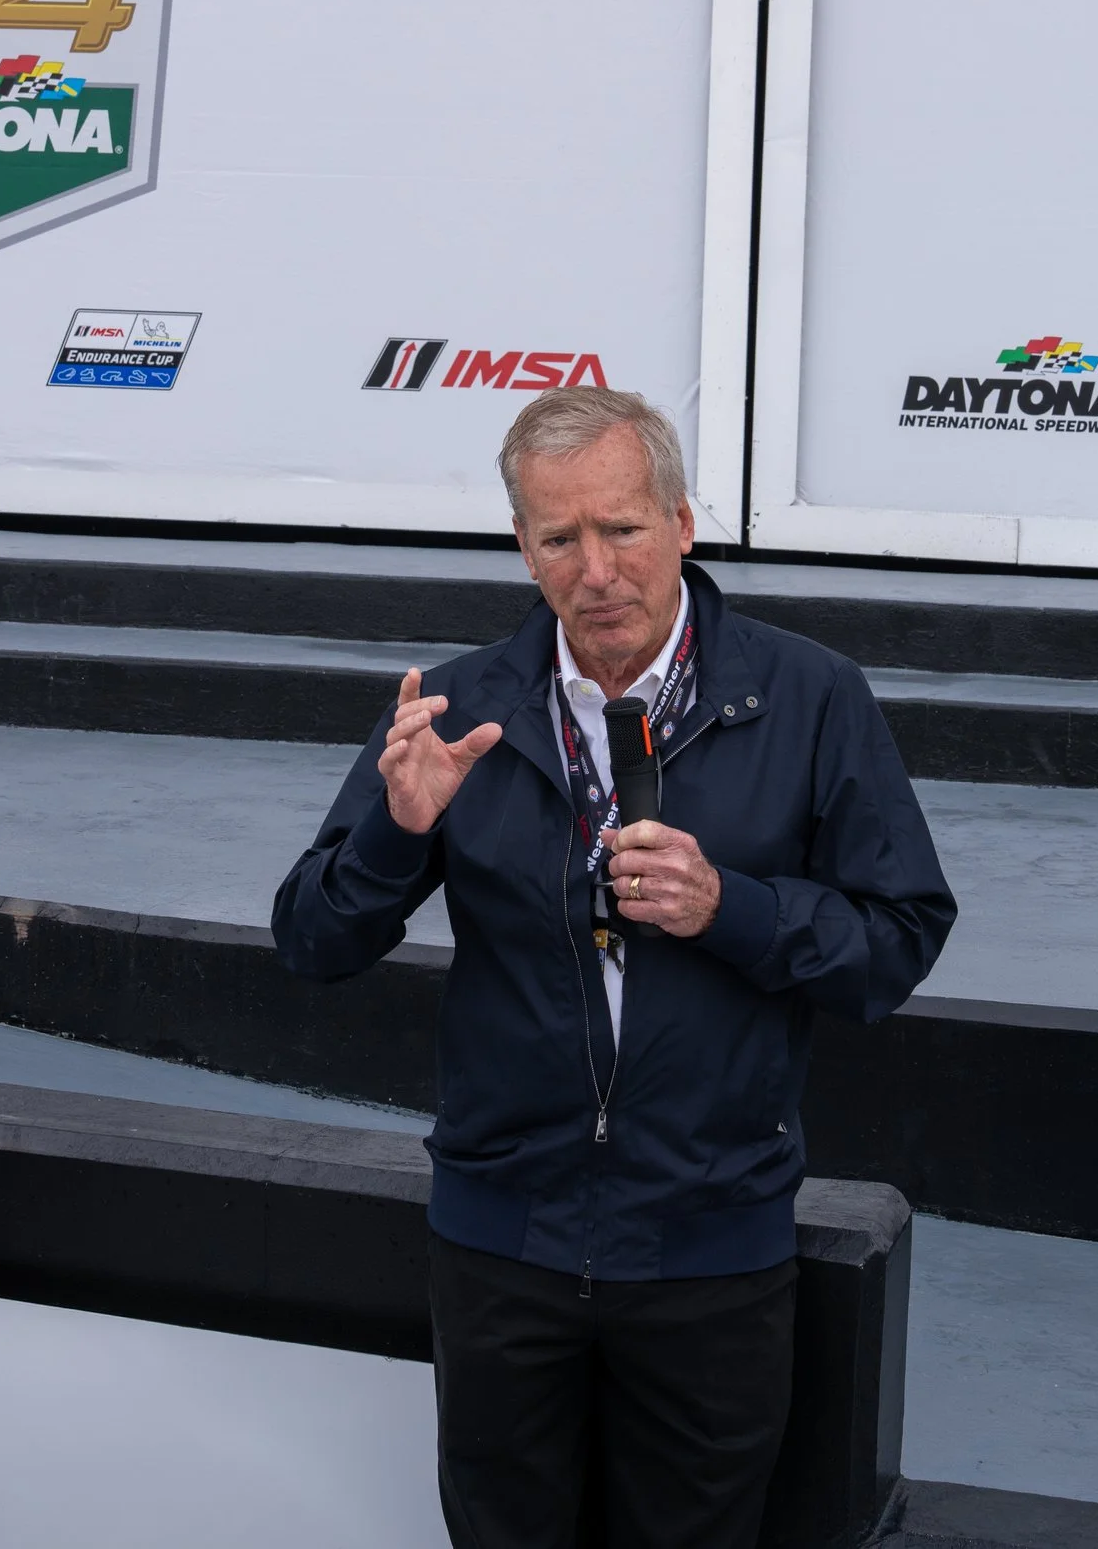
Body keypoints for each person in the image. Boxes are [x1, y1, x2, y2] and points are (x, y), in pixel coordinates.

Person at [272, 388, 955, 1549]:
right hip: (502, 1251)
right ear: (523, 548)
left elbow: (896, 942)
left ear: (682, 523)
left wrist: (728, 907)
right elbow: (311, 940)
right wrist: (394, 829)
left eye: (623, 528)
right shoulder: (458, 710)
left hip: (711, 1255)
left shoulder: (809, 697)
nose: (595, 571)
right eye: (560, 538)